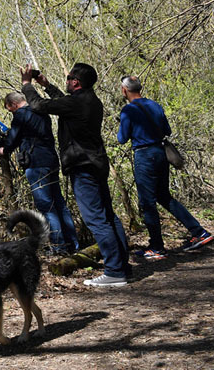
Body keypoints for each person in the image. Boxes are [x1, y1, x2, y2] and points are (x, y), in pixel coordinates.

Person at [20, 62, 132, 287]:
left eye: (69, 77)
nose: (67, 80)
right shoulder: (91, 101)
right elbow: (65, 104)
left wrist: (27, 85)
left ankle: (114, 272)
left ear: (76, 82)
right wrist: (47, 85)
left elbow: (39, 106)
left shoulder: (77, 103)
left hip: (82, 166)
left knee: (96, 219)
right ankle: (122, 266)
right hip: (96, 163)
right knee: (108, 216)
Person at [117, 75, 213, 259]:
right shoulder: (155, 105)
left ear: (124, 90)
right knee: (163, 196)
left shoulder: (128, 111)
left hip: (144, 156)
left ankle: (157, 247)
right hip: (161, 154)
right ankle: (199, 232)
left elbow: (121, 139)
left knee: (147, 202)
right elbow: (167, 130)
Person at [0, 91, 79, 254]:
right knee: (59, 203)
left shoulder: (20, 115)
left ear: (14, 105)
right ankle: (72, 244)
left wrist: (3, 149)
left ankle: (59, 247)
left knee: (47, 206)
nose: (12, 113)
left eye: (10, 110)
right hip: (51, 160)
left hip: (36, 164)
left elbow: (12, 141)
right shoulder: (41, 111)